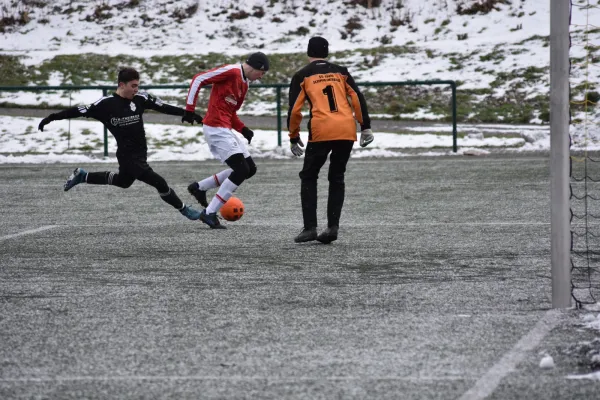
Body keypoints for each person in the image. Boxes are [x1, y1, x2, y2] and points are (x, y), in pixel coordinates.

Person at [37, 67, 204, 220]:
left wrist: (188, 113)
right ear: (121, 85)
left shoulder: (141, 98)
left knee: (124, 182)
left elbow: (164, 107)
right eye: (133, 86)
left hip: (140, 154)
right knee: (159, 182)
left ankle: (83, 176)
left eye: (138, 85)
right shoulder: (105, 105)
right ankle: (185, 210)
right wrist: (52, 117)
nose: (136, 89)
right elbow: (76, 110)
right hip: (127, 156)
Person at [287, 37, 374, 244]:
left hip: (321, 130)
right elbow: (357, 98)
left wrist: (293, 136)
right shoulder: (341, 72)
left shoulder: (302, 75)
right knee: (337, 177)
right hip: (346, 129)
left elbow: (294, 111)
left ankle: (310, 228)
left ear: (309, 53)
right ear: (327, 53)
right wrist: (365, 126)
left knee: (309, 175)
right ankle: (332, 227)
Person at [183, 52, 269, 229]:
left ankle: (199, 187)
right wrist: (189, 109)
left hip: (225, 129)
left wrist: (243, 129)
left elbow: (230, 113)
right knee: (240, 169)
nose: (261, 76)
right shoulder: (232, 71)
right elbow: (198, 79)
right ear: (255, 67)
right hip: (215, 128)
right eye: (262, 72)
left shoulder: (244, 85)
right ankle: (209, 213)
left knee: (250, 169)